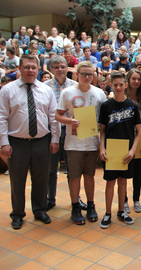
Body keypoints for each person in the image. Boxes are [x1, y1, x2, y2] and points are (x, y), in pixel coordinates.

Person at [0, 54, 60, 229]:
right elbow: (2, 117)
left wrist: (55, 139)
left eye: (33, 67)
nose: (30, 70)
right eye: (26, 67)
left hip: (42, 141)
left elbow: (53, 118)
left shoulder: (46, 90)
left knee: (41, 179)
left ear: (38, 69)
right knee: (17, 180)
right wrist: (4, 142)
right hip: (16, 142)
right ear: (19, 68)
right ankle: (17, 214)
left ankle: (40, 210)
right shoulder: (7, 90)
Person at [55, 61, 106, 225]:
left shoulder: (99, 93)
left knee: (90, 176)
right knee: (75, 177)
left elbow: (103, 119)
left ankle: (91, 205)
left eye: (90, 74)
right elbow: (58, 115)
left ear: (94, 75)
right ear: (76, 74)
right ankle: (75, 206)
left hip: (91, 142)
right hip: (73, 143)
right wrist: (70, 121)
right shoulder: (67, 93)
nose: (86, 77)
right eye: (83, 74)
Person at [98, 72, 141, 229]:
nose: (117, 87)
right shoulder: (106, 106)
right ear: (111, 84)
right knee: (110, 182)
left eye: (120, 85)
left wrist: (133, 150)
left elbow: (138, 131)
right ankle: (108, 213)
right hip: (111, 150)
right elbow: (101, 130)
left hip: (126, 151)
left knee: (123, 182)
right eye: (115, 85)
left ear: (125, 85)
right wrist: (101, 147)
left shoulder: (133, 106)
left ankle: (121, 211)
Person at [44, 56, 80, 211]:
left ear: (68, 68)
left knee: (73, 170)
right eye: (56, 67)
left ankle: (76, 200)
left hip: (71, 132)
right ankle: (50, 199)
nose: (60, 69)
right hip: (52, 133)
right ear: (51, 69)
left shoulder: (76, 86)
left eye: (62, 66)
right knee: (51, 169)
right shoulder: (44, 87)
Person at [124, 69, 141, 213]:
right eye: (133, 79)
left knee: (137, 171)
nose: (136, 81)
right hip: (124, 137)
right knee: (122, 171)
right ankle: (124, 200)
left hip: (139, 137)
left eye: (138, 79)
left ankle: (136, 199)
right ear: (127, 80)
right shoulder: (121, 96)